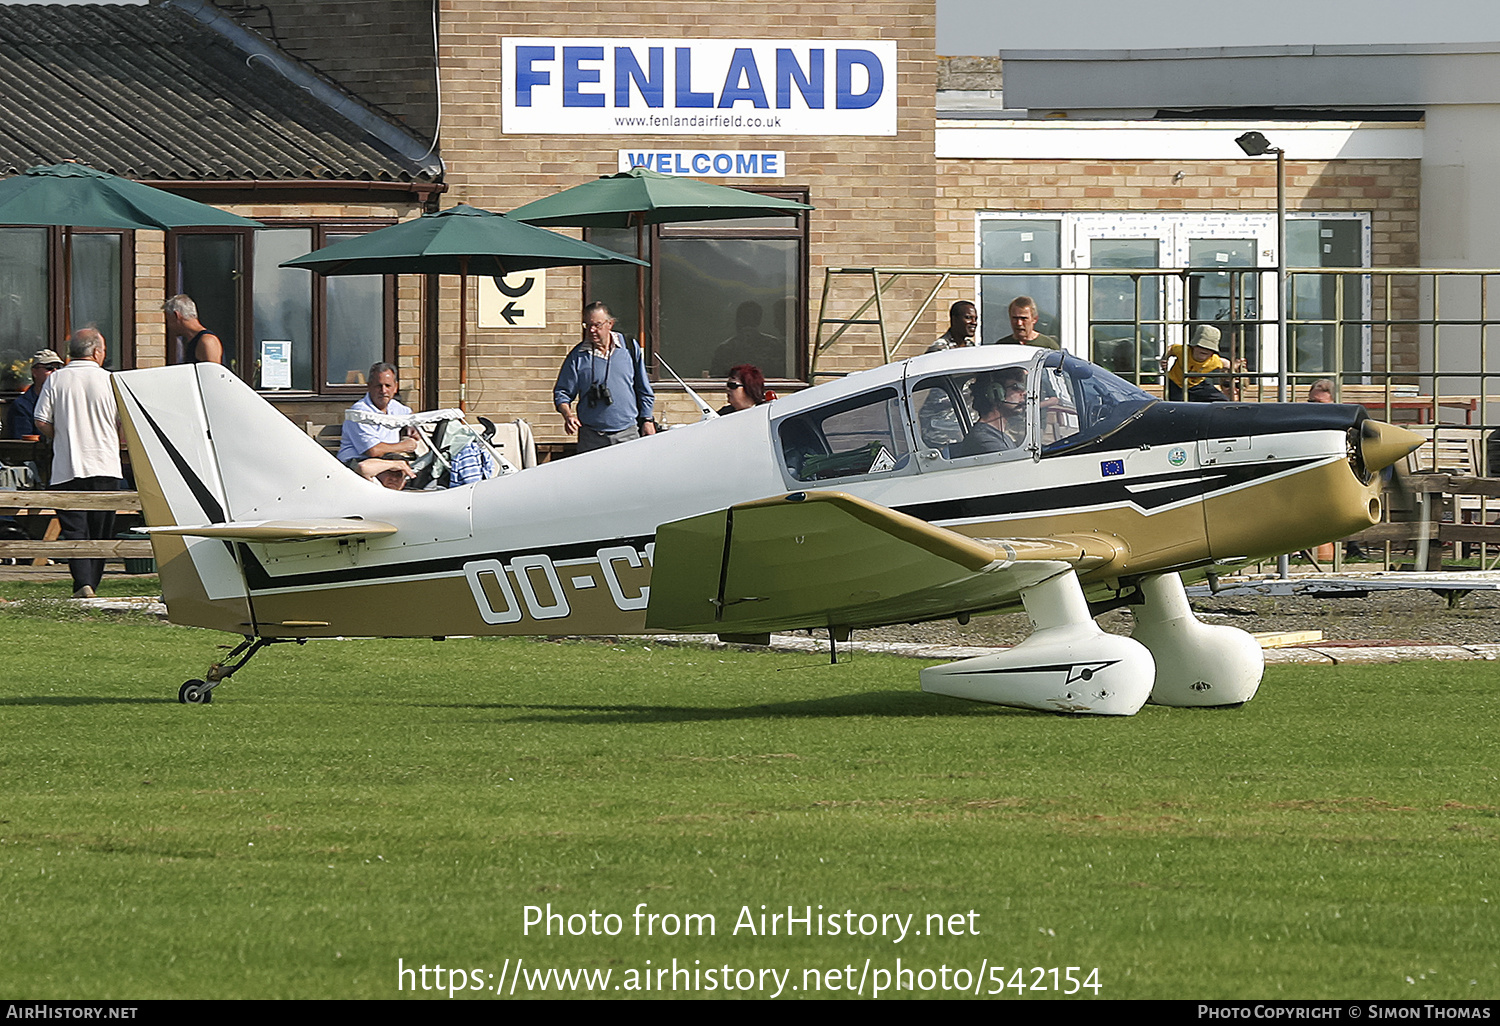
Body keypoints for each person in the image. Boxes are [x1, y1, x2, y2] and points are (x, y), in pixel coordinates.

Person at [32, 328, 121, 599]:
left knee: (75, 531)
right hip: (105, 464)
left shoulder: (56, 380)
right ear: (96, 352)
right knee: (100, 532)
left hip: (68, 466)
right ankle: (90, 583)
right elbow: (124, 422)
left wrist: (62, 436)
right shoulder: (111, 381)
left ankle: (83, 584)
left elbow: (41, 421)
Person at [554, 301, 655, 453]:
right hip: (591, 438)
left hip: (627, 433)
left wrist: (647, 420)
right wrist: (568, 415)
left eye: (597, 325)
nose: (592, 330)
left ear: (610, 324)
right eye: (587, 325)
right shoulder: (578, 356)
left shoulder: (629, 348)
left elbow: (643, 388)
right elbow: (562, 393)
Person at [337, 362, 417, 468]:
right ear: (369, 386)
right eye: (379, 386)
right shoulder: (359, 412)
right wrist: (404, 446)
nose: (383, 391)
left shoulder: (394, 406)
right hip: (356, 464)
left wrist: (412, 425)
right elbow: (373, 450)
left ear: (395, 387)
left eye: (388, 386)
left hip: (387, 461)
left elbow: (409, 414)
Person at [952, 368, 1028, 457]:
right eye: (1015, 388)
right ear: (996, 393)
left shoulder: (997, 435)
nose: (1024, 393)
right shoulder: (985, 440)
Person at [1160, 325, 1243, 403]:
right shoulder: (1184, 351)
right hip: (1176, 383)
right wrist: (1164, 359)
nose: (1204, 350)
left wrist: (1236, 365)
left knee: (1222, 400)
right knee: (1176, 406)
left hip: (1198, 385)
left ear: (1212, 353)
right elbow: (1171, 348)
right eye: (1200, 346)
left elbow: (1226, 363)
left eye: (1209, 348)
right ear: (1193, 347)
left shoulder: (1213, 360)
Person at [710, 301, 783, 377]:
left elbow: (716, 378)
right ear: (759, 320)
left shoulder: (725, 348)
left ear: (738, 320)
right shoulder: (775, 345)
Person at [5, 348, 64, 438]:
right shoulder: (22, 406)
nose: (55, 371)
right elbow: (23, 442)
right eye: (49, 368)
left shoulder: (66, 400)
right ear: (34, 372)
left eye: (59, 367)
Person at [163, 294, 223, 365]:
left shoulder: (207, 341)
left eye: (168, 320)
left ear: (176, 315)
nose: (168, 326)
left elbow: (212, 374)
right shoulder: (190, 341)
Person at [990, 296, 1060, 350]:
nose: (1019, 323)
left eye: (1024, 318)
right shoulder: (1002, 346)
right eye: (1015, 318)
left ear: (1034, 319)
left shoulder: (1048, 346)